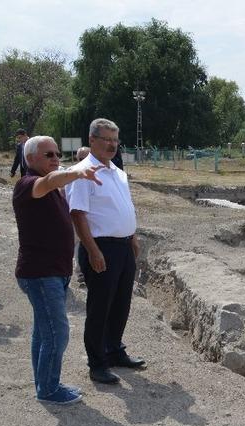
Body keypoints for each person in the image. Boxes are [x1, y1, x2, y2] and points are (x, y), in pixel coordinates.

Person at [13, 135, 104, 405]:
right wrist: (76, 172)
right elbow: (50, 181)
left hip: (53, 272)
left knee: (44, 331)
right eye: (48, 155)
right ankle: (49, 389)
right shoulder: (28, 184)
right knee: (57, 331)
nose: (56, 159)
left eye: (57, 154)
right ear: (30, 160)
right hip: (41, 274)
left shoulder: (50, 186)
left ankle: (45, 383)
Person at [68, 118, 145, 385]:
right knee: (100, 307)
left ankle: (114, 350)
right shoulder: (82, 172)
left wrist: (132, 237)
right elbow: (78, 214)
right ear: (92, 141)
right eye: (106, 140)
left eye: (115, 140)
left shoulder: (117, 171)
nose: (112, 145)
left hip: (123, 246)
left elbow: (124, 207)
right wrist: (92, 250)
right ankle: (97, 363)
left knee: (121, 303)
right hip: (101, 248)